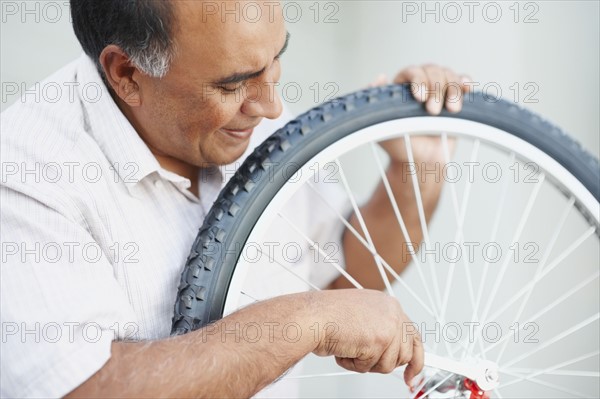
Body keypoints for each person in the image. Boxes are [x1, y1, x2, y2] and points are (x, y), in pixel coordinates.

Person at [0, 1, 471, 397]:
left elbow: (347, 274)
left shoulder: (253, 112)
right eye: (232, 84)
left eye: (276, 59)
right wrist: (308, 319)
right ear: (126, 72)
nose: (270, 105)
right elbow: (83, 389)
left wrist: (415, 169)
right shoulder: (27, 174)